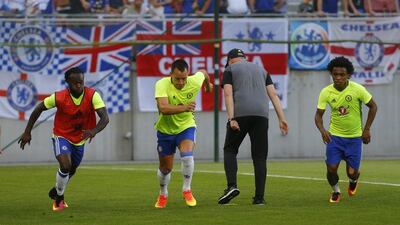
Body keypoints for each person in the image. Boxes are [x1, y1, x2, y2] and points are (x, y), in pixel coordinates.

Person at [18, 67, 109, 211]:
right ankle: (59, 200)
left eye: (81, 82)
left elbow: (105, 118)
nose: (79, 85)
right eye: (75, 83)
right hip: (62, 135)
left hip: (80, 138)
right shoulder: (59, 97)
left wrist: (93, 131)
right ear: (68, 82)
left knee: (71, 169)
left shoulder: (93, 95)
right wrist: (27, 132)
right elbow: (38, 109)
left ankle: (56, 190)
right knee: (65, 165)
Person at [218, 48, 288, 205]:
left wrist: (232, 119)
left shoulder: (230, 69)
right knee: (259, 157)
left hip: (241, 114)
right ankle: (259, 198)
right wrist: (281, 118)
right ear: (244, 58)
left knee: (230, 149)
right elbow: (273, 95)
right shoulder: (262, 69)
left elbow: (228, 94)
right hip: (261, 115)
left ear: (229, 60)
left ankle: (231, 186)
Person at [314, 56, 377, 203]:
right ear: (331, 74)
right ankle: (336, 191)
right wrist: (323, 131)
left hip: (355, 138)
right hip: (334, 137)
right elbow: (318, 115)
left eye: (342, 74)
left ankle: (353, 181)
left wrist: (366, 129)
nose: (338, 77)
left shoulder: (358, 89)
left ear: (348, 75)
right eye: (335, 74)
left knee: (352, 173)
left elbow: (373, 106)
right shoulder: (326, 92)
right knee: (331, 169)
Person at [154, 59, 213, 208]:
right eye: (177, 78)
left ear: (188, 75)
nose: (181, 82)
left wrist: (207, 85)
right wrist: (185, 107)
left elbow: (204, 73)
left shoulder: (194, 80)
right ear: (171, 75)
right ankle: (163, 193)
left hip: (186, 126)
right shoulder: (162, 84)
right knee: (165, 169)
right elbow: (164, 109)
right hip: (165, 130)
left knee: (187, 155)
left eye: (184, 78)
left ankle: (187, 189)